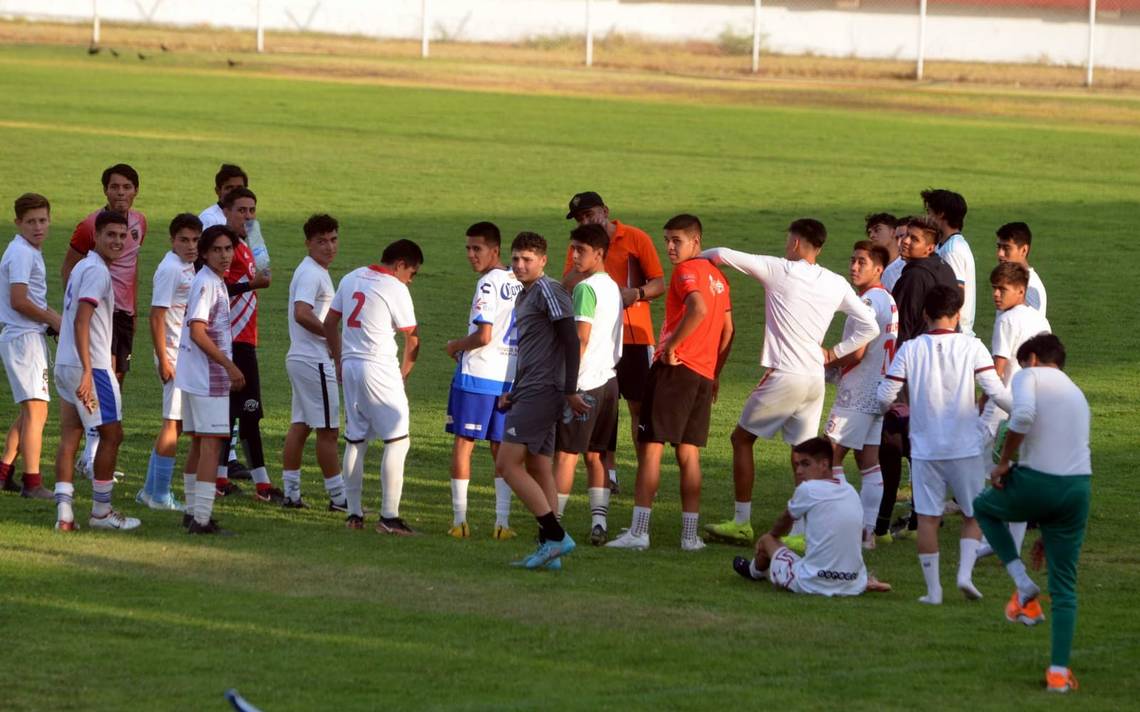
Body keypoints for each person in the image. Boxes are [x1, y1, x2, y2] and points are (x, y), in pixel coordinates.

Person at [699, 218, 878, 545]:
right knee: (804, 455)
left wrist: (692, 261)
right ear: (819, 247)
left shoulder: (779, 269)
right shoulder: (835, 282)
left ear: (796, 243)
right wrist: (834, 352)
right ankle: (801, 533)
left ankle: (741, 521)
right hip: (815, 379)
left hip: (786, 374)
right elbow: (870, 325)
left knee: (741, 439)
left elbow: (722, 253)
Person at [606, 214, 734, 551]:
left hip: (675, 371)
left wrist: (673, 346)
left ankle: (639, 531)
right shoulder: (719, 277)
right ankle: (689, 537)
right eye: (667, 240)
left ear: (696, 241)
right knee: (689, 455)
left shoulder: (686, 271)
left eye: (677, 240)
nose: (670, 247)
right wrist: (716, 371)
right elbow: (728, 330)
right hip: (703, 375)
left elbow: (698, 308)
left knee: (650, 450)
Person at [876, 285, 1011, 604]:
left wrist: (882, 413)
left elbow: (884, 394)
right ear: (958, 314)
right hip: (964, 446)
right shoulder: (972, 347)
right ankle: (964, 574)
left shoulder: (910, 349)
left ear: (925, 314)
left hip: (924, 449)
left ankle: (933, 591)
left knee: (927, 518)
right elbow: (996, 391)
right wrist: (1024, 412)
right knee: (972, 514)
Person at [973, 334, 1090, 694]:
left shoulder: (1029, 375)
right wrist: (1047, 526)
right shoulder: (1077, 394)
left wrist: (1004, 461)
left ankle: (1023, 586)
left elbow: (1022, 414)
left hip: (1040, 481)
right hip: (1078, 489)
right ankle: (1057, 673)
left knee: (982, 507)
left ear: (1034, 358)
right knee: (1065, 589)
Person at [562, 191, 664, 492]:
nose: (586, 220)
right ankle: (610, 476)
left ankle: (646, 475)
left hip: (635, 335)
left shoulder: (635, 238)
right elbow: (568, 281)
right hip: (596, 339)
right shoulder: (578, 247)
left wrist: (638, 294)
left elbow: (659, 282)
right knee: (602, 407)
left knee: (638, 408)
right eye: (580, 218)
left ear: (605, 210)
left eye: (589, 214)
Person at [495, 231, 583, 569]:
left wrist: (570, 389)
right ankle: (551, 551)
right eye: (516, 258)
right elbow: (530, 349)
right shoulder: (524, 295)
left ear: (543, 261)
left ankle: (556, 535)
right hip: (531, 388)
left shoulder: (549, 290)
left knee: (506, 464)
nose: (519, 265)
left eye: (527, 259)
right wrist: (514, 391)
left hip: (543, 389)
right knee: (538, 465)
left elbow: (571, 341)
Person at [324, 239, 423, 535]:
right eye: (412, 273)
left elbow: (330, 324)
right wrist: (404, 373)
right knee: (397, 440)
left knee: (356, 439)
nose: (411, 279)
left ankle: (354, 514)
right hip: (379, 367)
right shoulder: (395, 287)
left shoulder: (351, 276)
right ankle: (389, 517)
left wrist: (340, 360)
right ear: (401, 265)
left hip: (352, 366)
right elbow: (413, 338)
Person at [872, 216, 960, 542]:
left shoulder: (913, 277)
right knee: (921, 446)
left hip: (913, 373)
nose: (905, 241)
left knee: (893, 445)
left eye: (914, 238)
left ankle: (881, 525)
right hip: (944, 371)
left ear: (931, 245)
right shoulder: (943, 269)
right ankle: (920, 517)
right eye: (905, 236)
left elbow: (903, 333)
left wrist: (890, 375)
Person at [52, 211, 140, 531]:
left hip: (65, 363)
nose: (117, 241)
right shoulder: (98, 272)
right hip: (89, 366)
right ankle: (101, 512)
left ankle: (64, 515)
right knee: (112, 434)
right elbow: (82, 319)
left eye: (123, 235)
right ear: (97, 237)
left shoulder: (82, 267)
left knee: (71, 434)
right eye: (110, 235)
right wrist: (89, 371)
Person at [61, 164, 146, 478]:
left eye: (126, 187)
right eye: (114, 187)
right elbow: (68, 269)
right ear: (105, 190)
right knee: (100, 382)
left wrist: (133, 312)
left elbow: (132, 269)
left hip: (122, 315)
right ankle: (92, 460)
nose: (121, 193)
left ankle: (89, 459)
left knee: (116, 381)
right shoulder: (89, 225)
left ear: (136, 190)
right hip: (96, 312)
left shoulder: (140, 223)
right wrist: (74, 311)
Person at [731, 437, 884, 597]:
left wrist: (772, 541)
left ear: (824, 464)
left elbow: (783, 522)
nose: (798, 471)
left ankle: (754, 572)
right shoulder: (850, 490)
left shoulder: (808, 489)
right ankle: (858, 579)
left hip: (812, 583)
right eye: (797, 464)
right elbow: (861, 534)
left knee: (766, 540)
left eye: (805, 464)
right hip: (853, 583)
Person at [444, 222, 520, 540]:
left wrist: (455, 346)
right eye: (468, 248)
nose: (471, 255)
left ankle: (460, 521)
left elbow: (483, 335)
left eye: (477, 249)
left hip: (477, 376)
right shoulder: (519, 281)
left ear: (495, 251)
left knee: (464, 444)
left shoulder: (487, 284)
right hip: (509, 378)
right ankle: (502, 524)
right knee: (500, 449)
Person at [823, 241, 898, 547]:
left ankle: (835, 524)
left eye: (862, 262)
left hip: (858, 392)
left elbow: (858, 351)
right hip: (879, 391)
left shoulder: (867, 303)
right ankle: (867, 534)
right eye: (853, 260)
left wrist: (828, 361)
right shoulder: (888, 300)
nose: (854, 267)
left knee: (828, 457)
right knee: (869, 463)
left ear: (878, 269)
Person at [552, 223, 623, 545]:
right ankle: (599, 523)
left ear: (599, 253)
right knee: (596, 455)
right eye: (572, 249)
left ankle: (553, 524)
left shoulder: (585, 289)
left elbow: (580, 338)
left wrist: (570, 386)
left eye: (581, 250)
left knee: (566, 455)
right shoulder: (613, 287)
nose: (575, 256)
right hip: (609, 382)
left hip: (585, 383)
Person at [976, 262, 1051, 556]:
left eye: (1002, 289)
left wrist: (983, 399)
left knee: (984, 466)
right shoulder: (1039, 320)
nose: (996, 295)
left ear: (1021, 290)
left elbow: (998, 366)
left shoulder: (1006, 321)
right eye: (994, 288)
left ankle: (987, 533)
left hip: (1003, 402)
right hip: (1032, 398)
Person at [215, 187, 283, 502]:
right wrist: (250, 284)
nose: (248, 216)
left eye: (252, 210)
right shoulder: (221, 247)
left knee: (249, 413)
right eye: (241, 210)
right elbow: (215, 288)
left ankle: (258, 483)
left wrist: (255, 235)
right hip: (229, 339)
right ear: (225, 211)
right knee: (232, 413)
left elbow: (266, 272)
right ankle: (229, 480)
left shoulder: (244, 243)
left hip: (247, 339)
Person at [177, 225, 246, 535]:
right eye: (216, 250)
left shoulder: (212, 281)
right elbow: (197, 330)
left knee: (197, 443)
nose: (224, 255)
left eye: (228, 249)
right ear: (204, 253)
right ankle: (202, 520)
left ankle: (192, 512)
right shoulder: (206, 283)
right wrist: (229, 366)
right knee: (211, 445)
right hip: (208, 378)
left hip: (195, 375)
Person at [281, 214, 347, 511]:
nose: (329, 247)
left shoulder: (313, 270)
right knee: (328, 430)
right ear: (308, 243)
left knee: (301, 426)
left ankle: (291, 494)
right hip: (313, 360)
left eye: (333, 240)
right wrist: (333, 338)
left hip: (301, 357)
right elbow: (302, 313)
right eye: (321, 241)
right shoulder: (312, 274)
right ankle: (339, 499)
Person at [137, 213, 200, 510]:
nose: (190, 246)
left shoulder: (187, 266)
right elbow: (156, 316)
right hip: (174, 356)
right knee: (172, 425)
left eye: (196, 240)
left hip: (182, 355)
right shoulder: (170, 269)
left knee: (176, 424)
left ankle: (149, 491)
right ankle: (160, 495)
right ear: (172, 240)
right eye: (184, 240)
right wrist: (163, 359)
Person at [0, 193, 61, 498]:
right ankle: (32, 483)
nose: (38, 227)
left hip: (27, 336)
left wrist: (50, 318)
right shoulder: (22, 253)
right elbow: (19, 300)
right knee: (37, 412)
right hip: (23, 338)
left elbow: (29, 300)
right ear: (18, 223)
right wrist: (54, 318)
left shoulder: (25, 250)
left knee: (29, 412)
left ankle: (4, 472)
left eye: (42, 220)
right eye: (31, 221)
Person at [922, 188, 976, 336]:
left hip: (953, 333)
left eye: (929, 211)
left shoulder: (952, 250)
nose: (927, 217)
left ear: (940, 214)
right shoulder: (946, 245)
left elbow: (956, 294)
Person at [995, 222, 1047, 316]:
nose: (1000, 254)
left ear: (1024, 250)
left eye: (1006, 248)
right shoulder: (1012, 278)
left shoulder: (1030, 287)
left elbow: (1031, 327)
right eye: (999, 247)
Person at [199, 163, 248, 230]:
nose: (235, 192)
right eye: (229, 188)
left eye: (239, 187)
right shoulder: (210, 219)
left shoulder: (247, 216)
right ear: (218, 191)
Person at [866, 212, 905, 292]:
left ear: (894, 232)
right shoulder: (872, 268)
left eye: (877, 230)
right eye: (869, 232)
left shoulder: (905, 266)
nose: (871, 235)